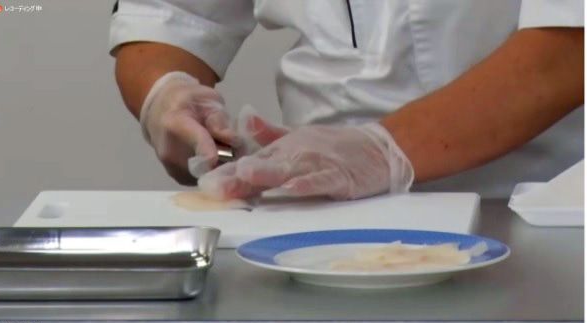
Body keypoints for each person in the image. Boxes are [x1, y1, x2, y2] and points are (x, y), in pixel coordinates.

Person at [109, 0, 584, 200]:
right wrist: (166, 93)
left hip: (536, 207)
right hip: (316, 219)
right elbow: (169, 15)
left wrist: (381, 149)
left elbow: (569, 46)